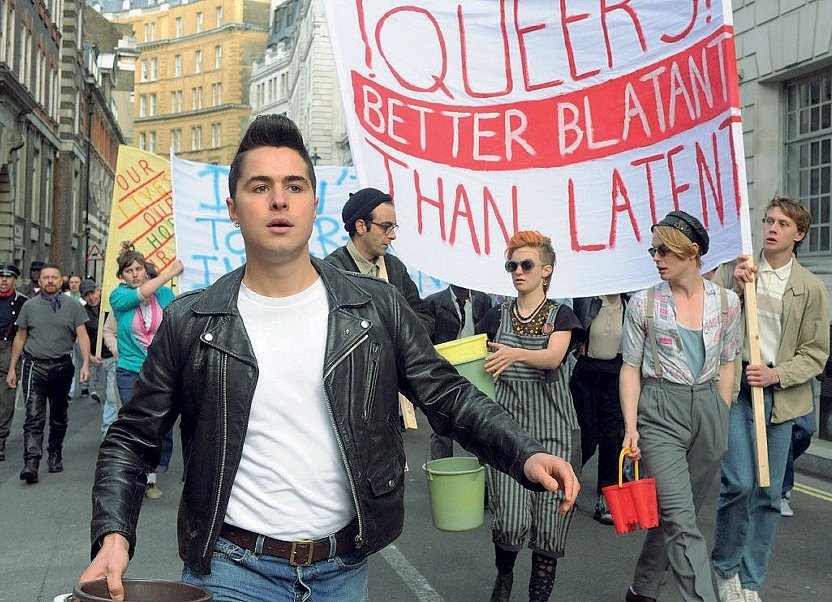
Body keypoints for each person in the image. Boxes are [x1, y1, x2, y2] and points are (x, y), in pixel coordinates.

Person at [79, 114, 579, 602]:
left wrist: (524, 452)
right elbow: (132, 436)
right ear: (233, 208)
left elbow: (446, 393)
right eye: (260, 187)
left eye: (294, 186)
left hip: (342, 571)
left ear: (314, 203)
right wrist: (114, 536)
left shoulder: (376, 307)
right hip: (231, 570)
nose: (279, 199)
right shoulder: (193, 320)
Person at [709, 195, 830, 602]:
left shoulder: (810, 287)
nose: (772, 228)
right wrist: (739, 294)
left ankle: (749, 579)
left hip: (782, 400)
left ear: (799, 235)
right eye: (768, 220)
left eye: (782, 223)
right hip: (738, 392)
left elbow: (816, 352)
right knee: (740, 482)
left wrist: (778, 373)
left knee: (769, 493)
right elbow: (712, 327)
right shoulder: (739, 272)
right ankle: (725, 567)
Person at [620, 210, 741, 602]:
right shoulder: (643, 304)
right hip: (660, 411)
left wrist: (721, 412)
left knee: (677, 514)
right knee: (681, 520)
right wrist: (631, 426)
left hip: (708, 408)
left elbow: (728, 361)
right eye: (653, 251)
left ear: (691, 253)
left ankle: (642, 590)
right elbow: (630, 368)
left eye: (665, 251)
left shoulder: (728, 303)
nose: (657, 259)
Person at [475, 230, 582, 602]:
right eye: (512, 265)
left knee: (550, 526)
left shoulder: (562, 316)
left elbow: (553, 357)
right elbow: (476, 367)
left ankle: (539, 598)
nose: (518, 271)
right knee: (509, 521)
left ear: (546, 270)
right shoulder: (494, 315)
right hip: (507, 433)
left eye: (526, 264)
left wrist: (515, 353)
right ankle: (504, 578)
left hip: (555, 432)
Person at [5, 263, 91, 483]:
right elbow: (20, 337)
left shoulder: (73, 306)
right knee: (33, 417)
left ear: (61, 280)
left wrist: (85, 365)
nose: (50, 281)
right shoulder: (29, 306)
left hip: (62, 366)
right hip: (34, 367)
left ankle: (55, 453)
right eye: (46, 277)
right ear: (40, 281)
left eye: (54, 277)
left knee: (58, 416)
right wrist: (12, 368)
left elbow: (82, 336)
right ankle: (31, 463)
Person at [110, 249, 184, 499]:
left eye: (138, 269)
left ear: (145, 269)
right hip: (130, 370)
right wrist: (170, 273)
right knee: (135, 423)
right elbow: (140, 294)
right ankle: (135, 474)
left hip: (161, 369)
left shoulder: (165, 294)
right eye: (128, 271)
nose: (134, 274)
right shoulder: (119, 296)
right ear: (122, 275)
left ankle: (151, 474)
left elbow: (176, 321)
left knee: (161, 422)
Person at [325, 187, 434, 335]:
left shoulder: (395, 267)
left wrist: (405, 339)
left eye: (393, 227)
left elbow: (422, 314)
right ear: (361, 226)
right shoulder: (333, 271)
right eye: (386, 227)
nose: (393, 235)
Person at [570, 292, 632, 525]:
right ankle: (566, 483)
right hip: (587, 372)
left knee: (611, 438)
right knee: (586, 435)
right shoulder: (588, 300)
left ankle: (606, 496)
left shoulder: (629, 305)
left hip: (617, 373)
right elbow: (574, 329)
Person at [425, 283, 493, 459]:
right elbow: (427, 339)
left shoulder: (482, 299)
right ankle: (443, 471)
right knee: (442, 424)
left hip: (476, 367)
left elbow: (488, 333)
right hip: (445, 368)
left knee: (479, 421)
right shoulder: (434, 302)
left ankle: (480, 474)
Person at [81, 279, 120, 433]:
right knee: (104, 396)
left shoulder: (110, 309)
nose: (91, 297)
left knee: (112, 396)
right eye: (87, 295)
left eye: (93, 292)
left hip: (113, 357)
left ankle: (108, 431)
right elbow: (80, 339)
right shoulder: (82, 313)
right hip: (97, 361)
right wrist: (89, 357)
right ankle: (110, 425)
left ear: (99, 291)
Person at [0, 263, 28, 461]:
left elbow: (24, 332)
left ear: (14, 280)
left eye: (8, 277)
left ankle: (0, 439)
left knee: (6, 399)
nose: (3, 280)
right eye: (0, 277)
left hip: (8, 348)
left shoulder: (22, 302)